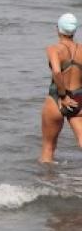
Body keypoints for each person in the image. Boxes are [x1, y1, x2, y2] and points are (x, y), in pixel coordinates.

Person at [40, 13, 82, 164]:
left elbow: (57, 71)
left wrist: (63, 96)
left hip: (57, 98)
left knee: (48, 147)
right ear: (74, 31)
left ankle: (47, 183)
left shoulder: (54, 49)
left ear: (58, 29)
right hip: (78, 98)